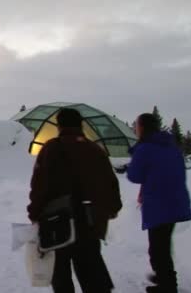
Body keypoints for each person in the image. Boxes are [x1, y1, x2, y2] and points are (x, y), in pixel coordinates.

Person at [28, 108, 122, 293]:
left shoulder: (51, 149)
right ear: (81, 125)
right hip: (89, 222)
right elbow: (111, 185)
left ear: (59, 125)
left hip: (57, 223)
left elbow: (39, 186)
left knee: (61, 275)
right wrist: (109, 210)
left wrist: (34, 214)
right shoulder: (95, 149)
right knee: (92, 275)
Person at [127, 113, 191, 293]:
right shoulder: (171, 146)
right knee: (162, 246)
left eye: (136, 126)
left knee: (157, 250)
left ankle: (167, 285)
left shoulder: (145, 149)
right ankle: (165, 277)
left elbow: (134, 176)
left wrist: (136, 155)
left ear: (142, 128)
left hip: (158, 205)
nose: (135, 129)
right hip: (176, 202)